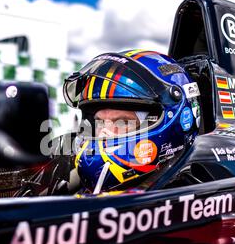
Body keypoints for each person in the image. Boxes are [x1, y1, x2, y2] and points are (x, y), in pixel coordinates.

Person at [63, 50, 201, 194]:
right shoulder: (75, 186)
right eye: (100, 122)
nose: (105, 133)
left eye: (122, 122)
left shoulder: (198, 198)